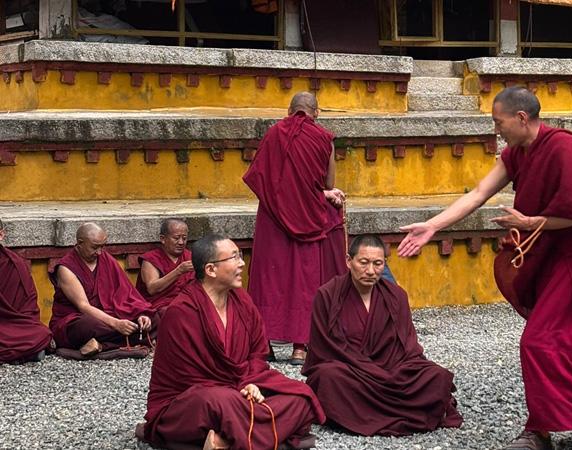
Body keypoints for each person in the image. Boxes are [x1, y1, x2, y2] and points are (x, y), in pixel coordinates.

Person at [398, 87, 572, 449]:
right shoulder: (517, 153)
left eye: (499, 123)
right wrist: (434, 225)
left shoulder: (564, 148)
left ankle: (539, 431)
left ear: (521, 118)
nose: (496, 130)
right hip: (548, 258)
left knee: (537, 342)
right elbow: (479, 193)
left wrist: (530, 222)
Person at [139, 234, 324, 450]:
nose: (242, 263)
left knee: (300, 396)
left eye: (240, 256)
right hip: (193, 399)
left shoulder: (242, 300)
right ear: (210, 270)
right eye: (234, 257)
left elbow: (258, 352)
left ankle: (226, 440)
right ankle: (258, 433)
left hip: (240, 389)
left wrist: (252, 383)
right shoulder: (182, 312)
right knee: (218, 402)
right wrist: (241, 389)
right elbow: (188, 378)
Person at [302, 235, 462, 436]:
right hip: (349, 371)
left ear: (384, 264)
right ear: (348, 261)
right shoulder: (327, 295)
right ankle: (402, 412)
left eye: (378, 264)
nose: (370, 271)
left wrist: (393, 372)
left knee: (436, 375)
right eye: (363, 262)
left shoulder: (396, 296)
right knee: (328, 376)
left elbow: (408, 346)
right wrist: (373, 372)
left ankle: (364, 414)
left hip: (391, 368)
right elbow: (323, 348)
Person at [243, 91, 347, 365]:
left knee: (269, 277)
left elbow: (259, 176)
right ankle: (301, 348)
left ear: (289, 111)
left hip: (274, 217)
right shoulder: (324, 138)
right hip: (310, 217)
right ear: (317, 112)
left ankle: (263, 344)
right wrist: (323, 196)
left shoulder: (274, 133)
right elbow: (327, 182)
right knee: (305, 279)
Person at [49, 223, 156, 357]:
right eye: (94, 247)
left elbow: (126, 293)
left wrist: (141, 315)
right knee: (87, 326)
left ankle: (100, 346)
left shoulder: (106, 259)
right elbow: (83, 306)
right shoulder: (66, 268)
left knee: (155, 318)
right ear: (80, 243)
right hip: (80, 319)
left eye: (102, 246)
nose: (99, 252)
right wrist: (116, 324)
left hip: (111, 314)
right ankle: (128, 342)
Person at [0, 219, 52, 363]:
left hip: (11, 326)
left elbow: (28, 307)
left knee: (41, 332)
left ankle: (19, 352)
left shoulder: (15, 264)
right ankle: (25, 352)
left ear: (1, 235)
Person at [136, 218, 193, 311]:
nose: (181, 242)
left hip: (187, 303)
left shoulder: (189, 256)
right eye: (176, 238)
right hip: (160, 307)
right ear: (163, 239)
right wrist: (179, 271)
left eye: (184, 238)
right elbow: (152, 288)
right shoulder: (151, 259)